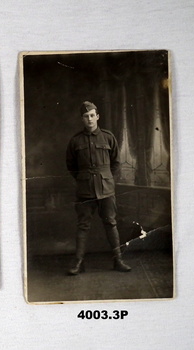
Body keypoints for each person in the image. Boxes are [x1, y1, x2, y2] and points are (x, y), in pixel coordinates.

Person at [66, 101, 131, 275]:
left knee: (110, 223)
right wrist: (83, 179)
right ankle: (79, 262)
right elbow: (71, 166)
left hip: (106, 190)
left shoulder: (108, 137)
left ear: (97, 116)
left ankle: (118, 260)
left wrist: (109, 180)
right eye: (86, 116)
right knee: (83, 225)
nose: (89, 119)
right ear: (82, 119)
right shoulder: (75, 141)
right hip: (85, 190)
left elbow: (116, 163)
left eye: (92, 115)